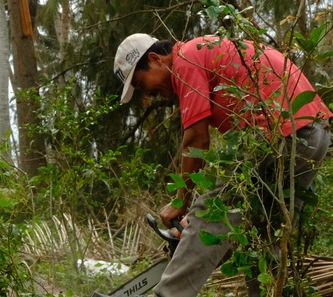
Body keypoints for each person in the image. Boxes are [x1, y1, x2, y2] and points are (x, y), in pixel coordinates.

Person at [113, 33, 332, 296]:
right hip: (313, 132)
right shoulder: (204, 52)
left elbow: (197, 138)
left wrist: (182, 202)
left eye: (141, 83)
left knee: (212, 209)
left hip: (281, 132)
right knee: (261, 235)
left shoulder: (186, 59)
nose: (147, 93)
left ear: (155, 59)